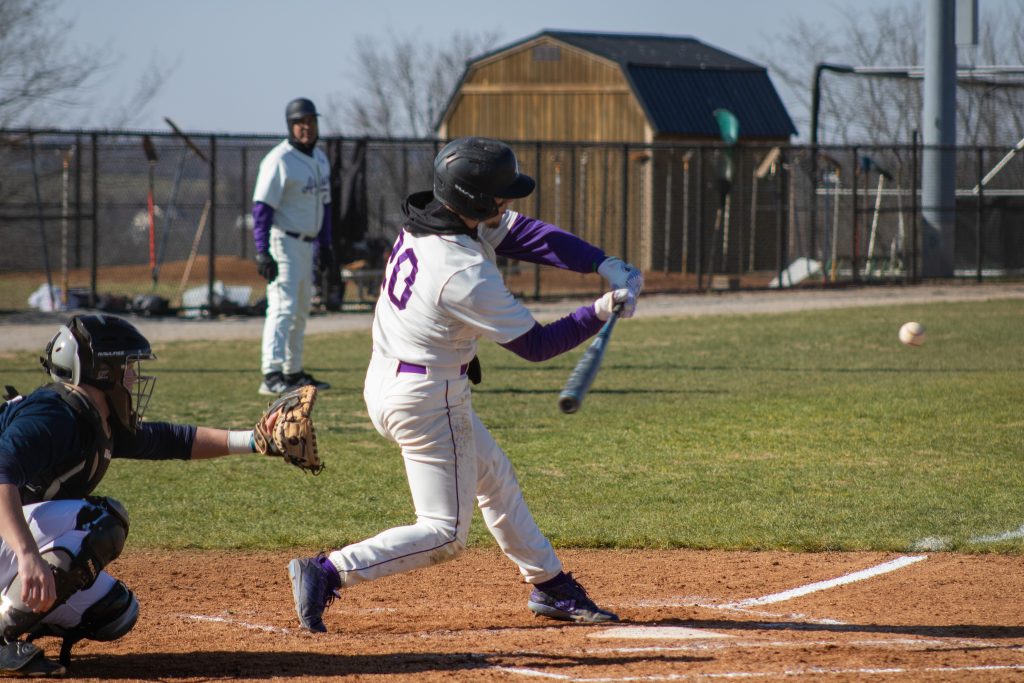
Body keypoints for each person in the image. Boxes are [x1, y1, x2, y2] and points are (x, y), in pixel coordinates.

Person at [287, 136, 643, 633]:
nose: (508, 203)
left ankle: (551, 585)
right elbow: (536, 345)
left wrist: (600, 263)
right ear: (475, 200)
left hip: (392, 379)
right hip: (427, 399)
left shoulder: (432, 216)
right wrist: (601, 310)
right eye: (500, 196)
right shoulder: (462, 271)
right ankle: (326, 572)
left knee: (494, 476)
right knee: (445, 533)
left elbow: (525, 235)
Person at [0, 314, 282, 676]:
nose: (133, 375)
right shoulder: (53, 416)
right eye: (127, 365)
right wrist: (27, 555)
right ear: (103, 371)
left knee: (112, 610)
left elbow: (172, 440)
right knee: (99, 521)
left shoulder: (92, 417)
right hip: (8, 537)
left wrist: (255, 441)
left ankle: (14, 614)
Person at [252, 97, 333, 396]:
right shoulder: (279, 160)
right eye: (300, 123)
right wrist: (262, 250)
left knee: (300, 310)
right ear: (290, 126)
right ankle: (271, 373)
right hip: (282, 241)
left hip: (307, 244)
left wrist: (326, 247)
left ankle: (293, 370)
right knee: (283, 308)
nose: (306, 128)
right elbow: (261, 209)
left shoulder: (320, 158)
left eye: (310, 121)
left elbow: (325, 206)